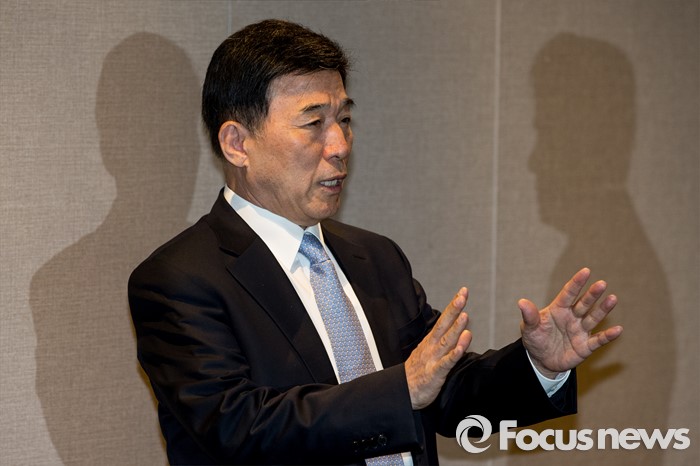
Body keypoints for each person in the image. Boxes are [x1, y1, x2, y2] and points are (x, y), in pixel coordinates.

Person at [128, 19, 623, 466]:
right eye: (313, 123)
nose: (340, 145)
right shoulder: (179, 280)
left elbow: (444, 391)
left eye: (344, 119)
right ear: (237, 143)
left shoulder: (375, 257)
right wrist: (399, 391)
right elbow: (238, 430)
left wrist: (538, 366)